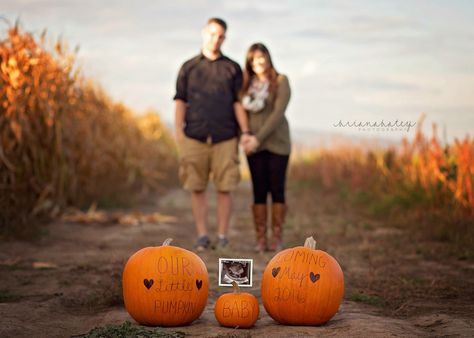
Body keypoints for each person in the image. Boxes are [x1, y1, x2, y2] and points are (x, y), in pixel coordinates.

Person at [174, 18, 250, 251]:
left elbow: (238, 103)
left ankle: (223, 236)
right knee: (196, 187)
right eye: (212, 34)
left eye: (220, 36)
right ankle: (202, 236)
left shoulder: (232, 68)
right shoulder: (189, 67)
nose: (215, 39)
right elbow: (180, 100)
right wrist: (178, 132)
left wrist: (245, 132)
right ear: (204, 33)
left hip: (226, 137)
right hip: (194, 136)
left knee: (225, 187)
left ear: (224, 38)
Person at [240, 43, 291, 253]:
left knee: (276, 190)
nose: (258, 62)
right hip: (254, 146)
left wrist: (257, 139)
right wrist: (244, 136)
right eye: (253, 59)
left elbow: (278, 113)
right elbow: (240, 111)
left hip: (277, 144)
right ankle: (261, 239)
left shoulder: (281, 81)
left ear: (268, 58)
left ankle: (276, 238)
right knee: (259, 191)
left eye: (261, 58)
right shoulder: (245, 85)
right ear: (249, 62)